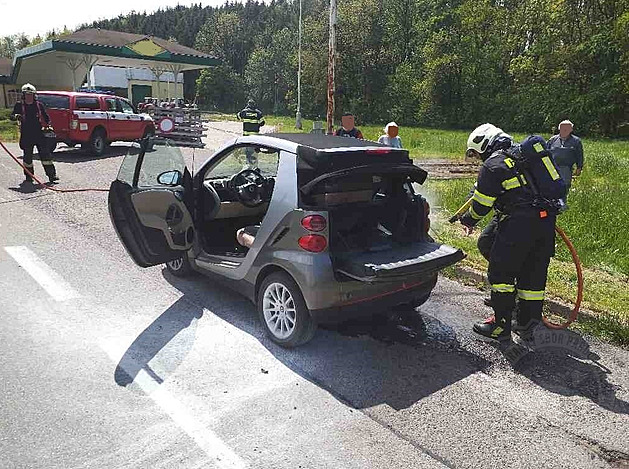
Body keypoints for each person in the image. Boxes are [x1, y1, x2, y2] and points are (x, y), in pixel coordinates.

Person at [459, 124, 566, 341]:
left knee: (501, 275)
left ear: (485, 144)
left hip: (518, 225)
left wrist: (468, 219)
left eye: (479, 154)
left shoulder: (493, 164)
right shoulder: (521, 155)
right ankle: (527, 326)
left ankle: (500, 326)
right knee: (533, 276)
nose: (480, 159)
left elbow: (481, 205)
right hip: (545, 223)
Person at [10, 83, 58, 184]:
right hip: (26, 134)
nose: (29, 96)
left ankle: (52, 175)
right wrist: (16, 116)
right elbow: (12, 116)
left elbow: (46, 117)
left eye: (30, 94)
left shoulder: (39, 105)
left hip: (39, 134)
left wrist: (49, 125)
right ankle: (29, 176)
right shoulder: (19, 105)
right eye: (27, 94)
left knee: (45, 155)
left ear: (34, 95)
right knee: (27, 157)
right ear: (23, 95)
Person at [547, 120, 584, 201]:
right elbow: (546, 152)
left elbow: (579, 155)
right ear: (559, 128)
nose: (565, 130)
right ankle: (553, 204)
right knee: (551, 186)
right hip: (552, 168)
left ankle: (562, 205)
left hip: (566, 168)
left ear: (571, 130)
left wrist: (579, 167)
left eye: (567, 128)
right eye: (563, 128)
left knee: (564, 187)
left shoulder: (576, 141)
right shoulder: (552, 139)